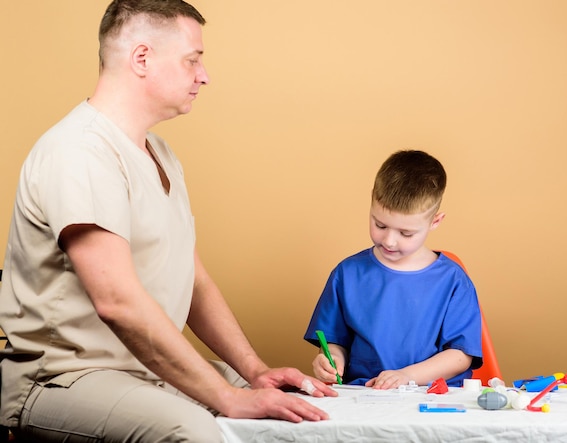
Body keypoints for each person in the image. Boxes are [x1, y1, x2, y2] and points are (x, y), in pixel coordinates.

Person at [0, 1, 336, 441]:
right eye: (193, 59)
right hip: (65, 378)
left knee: (296, 413)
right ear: (142, 58)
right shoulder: (78, 152)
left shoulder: (161, 155)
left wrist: (253, 372)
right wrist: (228, 397)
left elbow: (194, 283)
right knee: (194, 430)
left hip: (142, 371)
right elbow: (116, 301)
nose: (204, 74)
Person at [304, 150, 483, 389]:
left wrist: (406, 376)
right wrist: (331, 360)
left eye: (406, 233)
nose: (389, 240)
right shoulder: (347, 274)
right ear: (371, 202)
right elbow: (334, 341)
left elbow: (461, 356)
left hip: (430, 397)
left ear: (435, 222)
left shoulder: (453, 281)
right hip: (362, 395)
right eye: (380, 225)